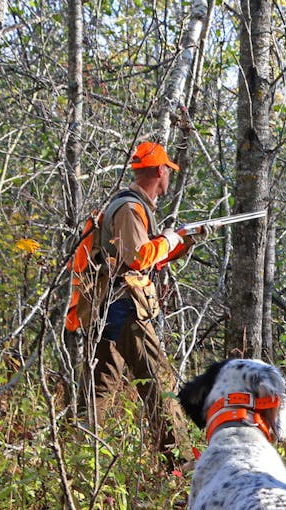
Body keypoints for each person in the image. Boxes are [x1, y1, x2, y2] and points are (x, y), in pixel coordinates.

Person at [70, 141, 199, 468]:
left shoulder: (133, 207)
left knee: (98, 390)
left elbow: (142, 257)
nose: (169, 175)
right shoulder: (129, 208)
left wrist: (183, 242)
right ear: (160, 171)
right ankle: (180, 466)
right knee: (159, 385)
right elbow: (137, 257)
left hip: (108, 306)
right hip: (125, 307)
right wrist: (170, 239)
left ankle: (79, 460)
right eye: (168, 169)